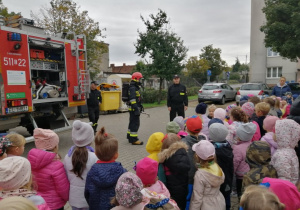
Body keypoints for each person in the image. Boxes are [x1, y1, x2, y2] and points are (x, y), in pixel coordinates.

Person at [84, 127, 126, 210]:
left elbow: (87, 193)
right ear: (116, 155)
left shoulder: (91, 172)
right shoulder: (122, 172)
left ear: (95, 153)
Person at [27, 128, 69, 210]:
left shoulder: (30, 161)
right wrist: (67, 198)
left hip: (38, 203)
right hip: (55, 204)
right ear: (55, 146)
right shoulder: (57, 165)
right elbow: (63, 188)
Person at [63, 120, 98, 210]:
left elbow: (66, 177)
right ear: (90, 138)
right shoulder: (94, 157)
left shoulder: (68, 156)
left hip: (74, 199)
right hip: (89, 198)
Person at [189, 140, 226, 210]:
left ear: (197, 156)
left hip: (205, 205)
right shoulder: (218, 168)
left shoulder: (200, 175)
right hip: (219, 202)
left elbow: (197, 198)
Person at [158, 133, 190, 209]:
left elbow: (162, 181)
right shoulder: (186, 156)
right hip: (184, 191)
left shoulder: (163, 162)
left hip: (170, 194)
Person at [209, 124, 233, 210]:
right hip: (228, 178)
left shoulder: (212, 150)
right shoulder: (228, 146)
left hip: (216, 181)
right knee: (227, 196)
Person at [270, 119, 300, 184]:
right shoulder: (290, 151)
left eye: (276, 132)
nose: (273, 134)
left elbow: (283, 179)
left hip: (283, 191)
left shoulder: (282, 155)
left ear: (282, 135)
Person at [233, 123, 256, 200]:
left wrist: (232, 171)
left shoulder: (237, 148)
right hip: (252, 174)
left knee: (241, 195)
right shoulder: (253, 145)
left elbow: (235, 162)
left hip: (241, 176)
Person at [127, 72, 144, 145]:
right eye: (140, 79)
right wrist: (136, 108)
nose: (140, 81)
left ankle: (129, 136)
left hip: (133, 108)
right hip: (134, 109)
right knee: (135, 124)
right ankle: (134, 139)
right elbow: (133, 99)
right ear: (136, 79)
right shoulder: (133, 88)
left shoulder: (134, 87)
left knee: (132, 123)